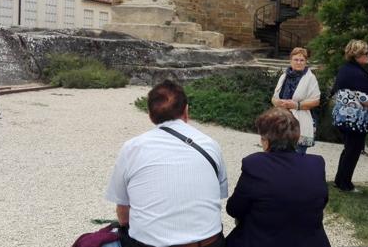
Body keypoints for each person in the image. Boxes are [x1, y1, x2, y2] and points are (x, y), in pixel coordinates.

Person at [104, 80, 228, 247]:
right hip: (209, 243)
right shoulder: (210, 144)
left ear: (149, 114)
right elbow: (218, 196)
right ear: (186, 110)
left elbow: (123, 214)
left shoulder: (132, 148)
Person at [226, 107, 331, 247]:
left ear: (266, 140)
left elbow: (234, 209)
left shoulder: (255, 164)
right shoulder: (316, 163)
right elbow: (321, 202)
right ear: (297, 137)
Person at [332, 39, 368, 192]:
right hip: (355, 120)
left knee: (348, 149)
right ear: (357, 55)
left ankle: (339, 180)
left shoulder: (345, 70)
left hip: (344, 118)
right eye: (366, 53)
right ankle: (345, 184)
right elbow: (365, 97)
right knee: (353, 151)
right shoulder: (357, 74)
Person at [272, 47, 320, 154]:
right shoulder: (284, 76)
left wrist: (296, 105)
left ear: (305, 62)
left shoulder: (310, 78)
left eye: (302, 60)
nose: (299, 62)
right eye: (296, 60)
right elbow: (274, 97)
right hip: (282, 120)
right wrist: (278, 103)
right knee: (279, 155)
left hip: (301, 121)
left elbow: (316, 101)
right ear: (291, 60)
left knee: (297, 157)